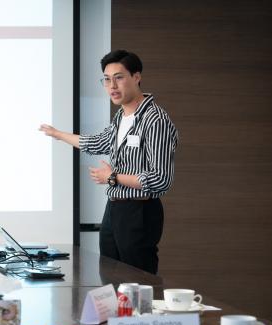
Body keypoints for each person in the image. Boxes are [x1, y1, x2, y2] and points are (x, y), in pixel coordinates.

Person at [40, 50, 177, 274]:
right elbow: (98, 143)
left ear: (136, 77)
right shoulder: (121, 117)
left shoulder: (155, 120)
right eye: (106, 79)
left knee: (136, 283)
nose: (112, 85)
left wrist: (112, 177)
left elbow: (160, 179)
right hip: (114, 209)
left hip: (140, 211)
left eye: (119, 77)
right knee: (111, 280)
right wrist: (59, 134)